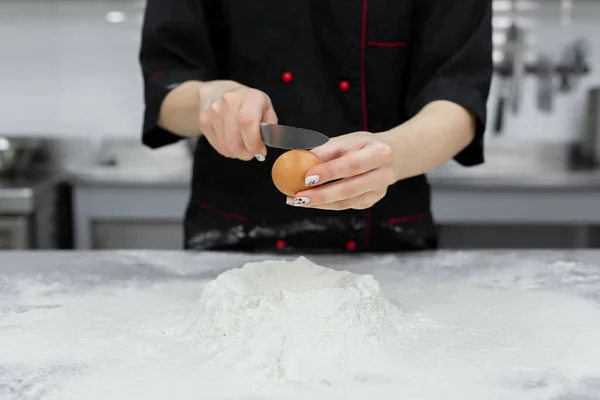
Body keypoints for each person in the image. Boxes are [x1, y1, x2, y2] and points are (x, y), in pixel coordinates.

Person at [139, 1, 493, 253]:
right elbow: (166, 90)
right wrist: (212, 99)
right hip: (229, 238)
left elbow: (458, 96)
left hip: (387, 241)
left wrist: (391, 155)